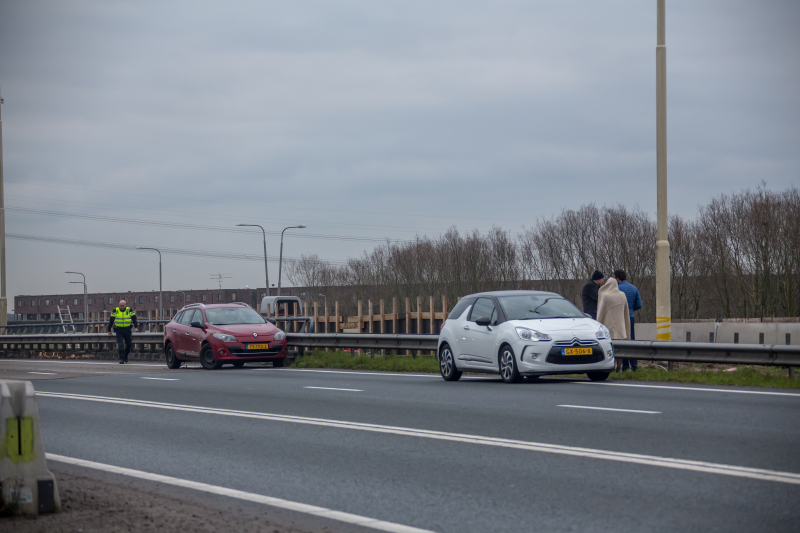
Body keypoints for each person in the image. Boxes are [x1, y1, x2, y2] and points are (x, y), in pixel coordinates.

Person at [597, 277, 630, 373]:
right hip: (621, 328)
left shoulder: (606, 296)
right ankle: (619, 368)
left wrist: (597, 324)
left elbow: (601, 313)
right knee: (620, 350)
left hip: (609, 328)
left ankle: (610, 367)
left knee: (610, 349)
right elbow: (626, 312)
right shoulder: (622, 295)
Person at [614, 269, 642, 371]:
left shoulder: (616, 289)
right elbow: (639, 304)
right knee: (631, 340)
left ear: (617, 278)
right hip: (630, 317)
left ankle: (625, 367)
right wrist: (630, 309)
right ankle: (634, 365)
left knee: (622, 341)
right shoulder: (634, 288)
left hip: (619, 318)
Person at [107, 300, 138, 364]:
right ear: (119, 305)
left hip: (127, 329)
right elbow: (111, 320)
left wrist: (136, 327)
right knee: (120, 345)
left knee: (129, 345)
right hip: (119, 330)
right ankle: (121, 359)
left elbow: (134, 318)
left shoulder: (129, 310)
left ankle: (125, 357)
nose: (122, 307)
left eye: (123, 305)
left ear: (125, 305)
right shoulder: (116, 310)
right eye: (121, 306)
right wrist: (109, 330)